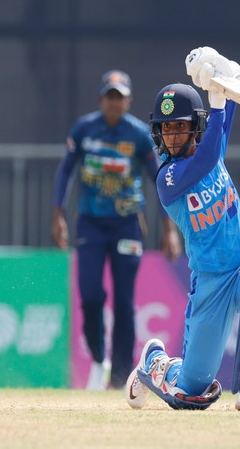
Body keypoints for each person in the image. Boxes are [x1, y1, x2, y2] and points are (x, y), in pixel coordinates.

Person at [125, 47, 240, 411]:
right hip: (211, 280)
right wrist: (216, 101)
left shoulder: (210, 144)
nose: (172, 135)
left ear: (196, 127)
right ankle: (156, 361)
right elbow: (210, 154)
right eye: (166, 128)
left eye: (180, 126)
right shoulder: (168, 178)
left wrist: (226, 76)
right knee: (191, 389)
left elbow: (228, 108)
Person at [52, 70, 183, 390]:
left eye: (119, 97)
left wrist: (169, 228)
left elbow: (159, 180)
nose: (114, 103)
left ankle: (120, 376)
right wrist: (58, 215)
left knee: (124, 302)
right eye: (109, 97)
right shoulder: (84, 129)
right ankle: (99, 360)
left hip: (127, 224)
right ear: (101, 100)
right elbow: (65, 171)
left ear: (128, 101)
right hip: (90, 222)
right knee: (90, 295)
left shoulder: (138, 135)